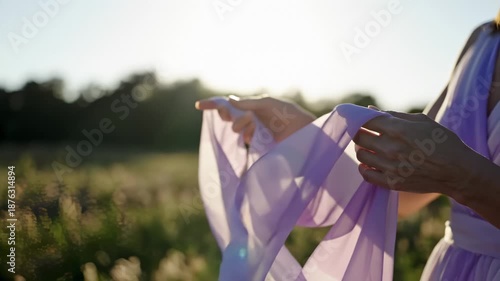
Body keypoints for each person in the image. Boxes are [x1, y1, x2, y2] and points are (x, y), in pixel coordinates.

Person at [196, 15, 500, 280]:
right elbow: (404, 194)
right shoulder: (483, 40)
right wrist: (301, 132)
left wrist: (465, 177)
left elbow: (453, 171)